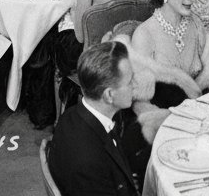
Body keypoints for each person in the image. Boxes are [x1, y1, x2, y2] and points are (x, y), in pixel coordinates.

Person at [47, 41, 140, 196]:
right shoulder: (90, 163)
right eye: (130, 81)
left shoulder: (70, 115)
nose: (136, 84)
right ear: (109, 95)